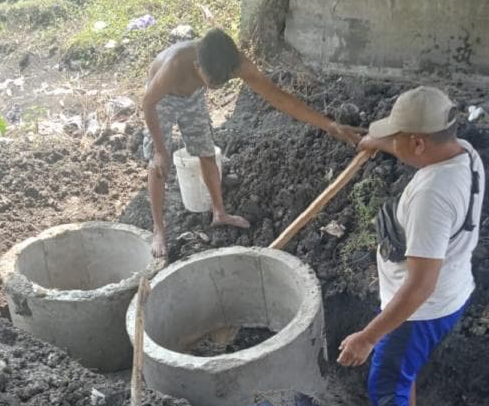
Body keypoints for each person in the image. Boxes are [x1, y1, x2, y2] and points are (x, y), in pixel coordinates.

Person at [337, 86, 485, 406]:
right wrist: (379, 142)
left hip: (419, 312)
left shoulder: (432, 196)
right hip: (450, 290)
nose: (394, 142)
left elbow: (420, 287)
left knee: (386, 387)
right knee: (404, 367)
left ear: (418, 143)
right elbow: (412, 146)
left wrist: (368, 338)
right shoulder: (464, 152)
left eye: (397, 137)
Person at [143, 28, 363, 257]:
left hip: (192, 96)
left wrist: (328, 125)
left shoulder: (234, 63)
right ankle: (159, 229)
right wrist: (160, 149)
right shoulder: (174, 66)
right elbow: (148, 104)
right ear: (198, 66)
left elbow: (277, 96)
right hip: (162, 99)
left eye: (222, 83)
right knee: (158, 164)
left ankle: (219, 213)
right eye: (212, 82)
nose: (217, 87)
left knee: (206, 152)